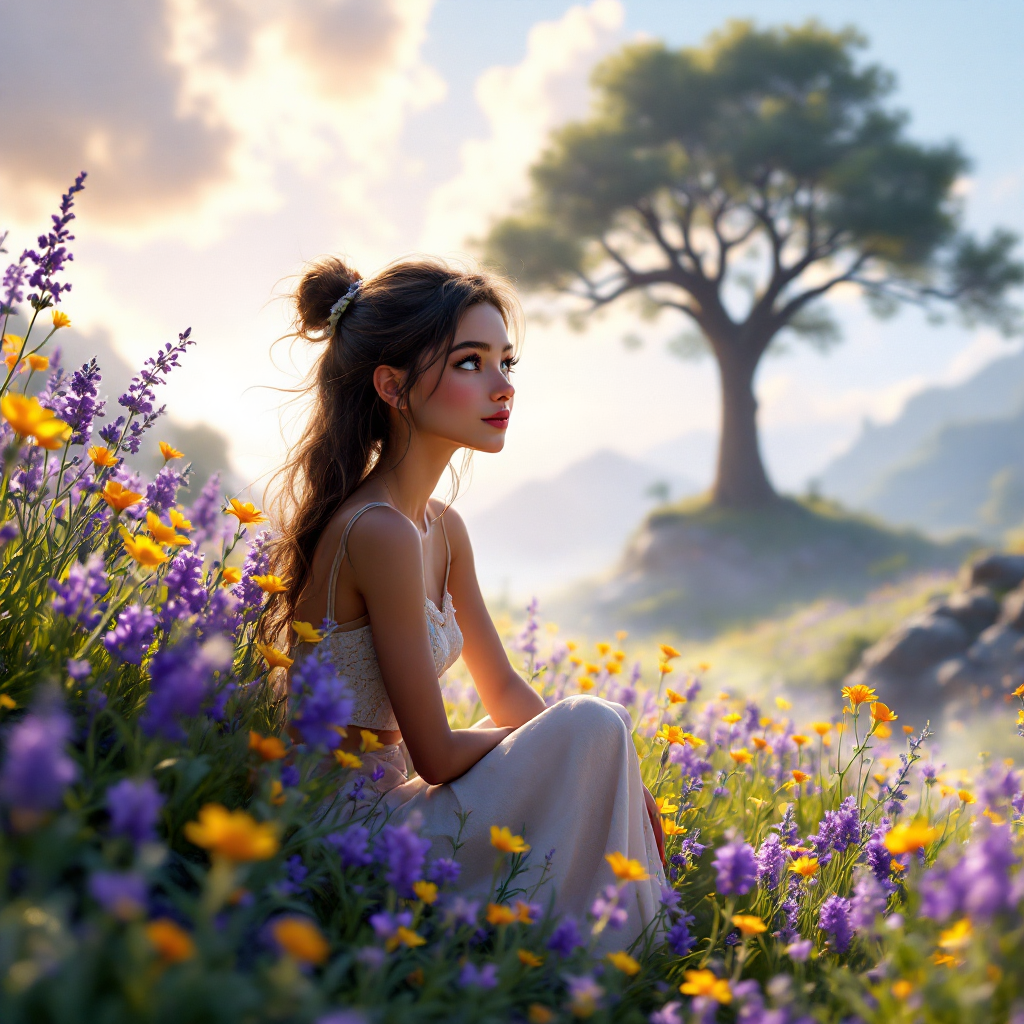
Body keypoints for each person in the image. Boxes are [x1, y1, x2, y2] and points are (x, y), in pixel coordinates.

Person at [263, 254, 664, 946]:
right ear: (391, 385)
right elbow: (437, 756)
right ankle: (603, 965)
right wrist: (581, 742)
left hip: (403, 808)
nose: (502, 386)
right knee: (593, 723)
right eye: (470, 363)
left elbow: (503, 687)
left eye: (507, 363)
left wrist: (613, 764)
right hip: (351, 830)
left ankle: (618, 958)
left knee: (598, 729)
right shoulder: (377, 530)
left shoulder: (440, 528)